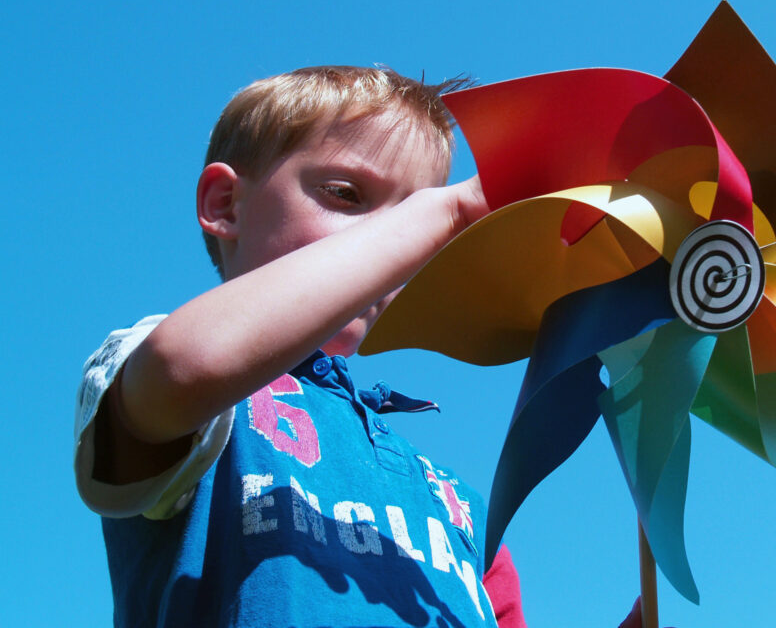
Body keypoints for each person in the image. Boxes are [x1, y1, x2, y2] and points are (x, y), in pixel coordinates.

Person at [73, 66, 526, 627]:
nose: (399, 244)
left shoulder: (466, 510)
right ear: (225, 204)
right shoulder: (198, 387)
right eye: (347, 194)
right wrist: (450, 209)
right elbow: (184, 368)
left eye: (414, 221)